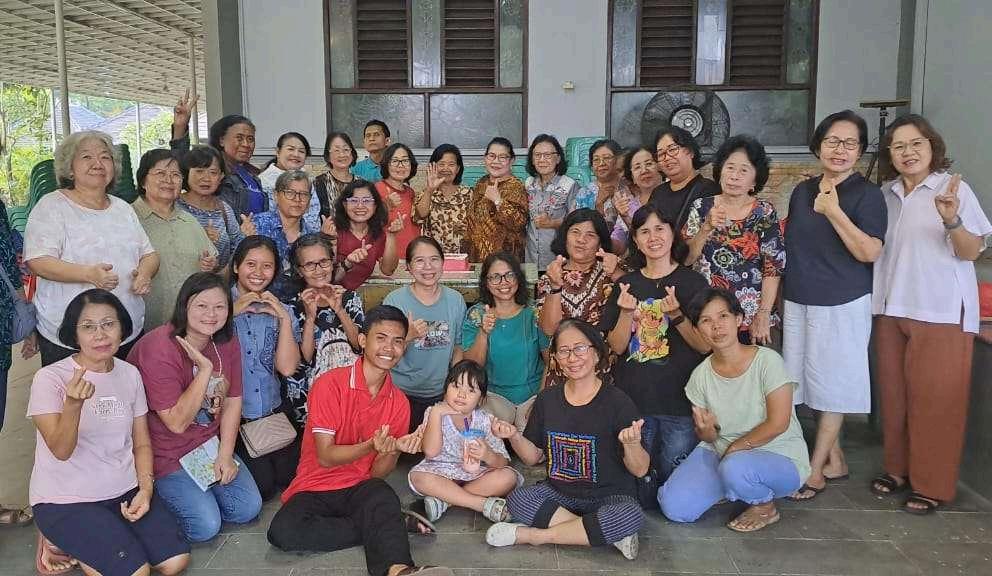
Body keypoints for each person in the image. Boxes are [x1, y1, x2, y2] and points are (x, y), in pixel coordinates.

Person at [267, 305, 454, 576]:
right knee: (282, 531)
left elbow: (377, 473)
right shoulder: (329, 384)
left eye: (398, 341)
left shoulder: (399, 403)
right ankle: (386, 524)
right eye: (381, 338)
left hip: (359, 487)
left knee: (382, 494)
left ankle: (400, 570)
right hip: (314, 485)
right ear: (363, 340)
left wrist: (394, 449)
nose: (389, 348)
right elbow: (325, 457)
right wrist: (370, 445)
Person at [870, 114, 992, 514]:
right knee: (894, 398)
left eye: (916, 143)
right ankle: (898, 469)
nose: (908, 152)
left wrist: (951, 218)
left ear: (931, 146)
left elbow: (971, 252)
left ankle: (932, 484)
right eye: (898, 146)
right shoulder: (886, 194)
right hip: (891, 308)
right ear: (889, 154)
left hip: (941, 310)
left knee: (937, 402)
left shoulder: (952, 188)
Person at [29, 289, 190, 575]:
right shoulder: (50, 378)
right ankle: (59, 537)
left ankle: (89, 542)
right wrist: (73, 404)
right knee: (136, 572)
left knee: (175, 561)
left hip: (123, 490)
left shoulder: (129, 374)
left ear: (122, 328)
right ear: (74, 334)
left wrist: (146, 489)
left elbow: (141, 444)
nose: (100, 335)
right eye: (88, 327)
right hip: (67, 500)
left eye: (108, 324)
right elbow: (61, 451)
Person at [782, 111, 887, 501]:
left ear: (860, 151)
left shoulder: (868, 195)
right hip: (799, 299)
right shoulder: (802, 191)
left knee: (835, 384)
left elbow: (870, 251)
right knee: (805, 382)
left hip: (842, 301)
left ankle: (814, 470)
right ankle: (836, 458)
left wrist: (834, 211)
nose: (840, 150)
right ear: (818, 146)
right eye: (832, 141)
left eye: (850, 143)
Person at [486, 319, 647, 561]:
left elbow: (640, 469)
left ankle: (533, 536)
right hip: (559, 493)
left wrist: (632, 444)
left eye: (580, 348)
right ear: (556, 360)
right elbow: (532, 458)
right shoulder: (547, 399)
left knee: (629, 515)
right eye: (564, 351)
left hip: (609, 497)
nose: (572, 358)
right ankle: (604, 534)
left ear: (596, 354)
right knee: (519, 499)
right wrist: (514, 436)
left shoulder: (618, 402)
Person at [659, 288, 811, 532]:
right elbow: (710, 436)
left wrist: (734, 450)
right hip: (723, 453)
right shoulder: (700, 377)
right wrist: (705, 431)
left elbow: (778, 423)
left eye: (723, 316)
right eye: (706, 321)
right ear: (697, 330)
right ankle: (734, 486)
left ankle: (764, 506)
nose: (716, 326)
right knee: (675, 507)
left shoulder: (767, 361)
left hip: (777, 453)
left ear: (738, 319)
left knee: (735, 467)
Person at [127, 272, 263, 542]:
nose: (211, 315)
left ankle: (195, 494)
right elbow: (177, 423)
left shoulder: (226, 339)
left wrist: (225, 455)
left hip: (205, 446)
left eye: (220, 306)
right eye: (201, 305)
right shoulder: (159, 349)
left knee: (247, 508)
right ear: (184, 306)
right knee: (205, 526)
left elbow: (233, 399)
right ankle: (149, 505)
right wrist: (205, 370)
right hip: (165, 452)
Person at [25, 130, 160, 366]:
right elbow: (38, 261)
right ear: (69, 168)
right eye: (86, 157)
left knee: (125, 388)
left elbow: (150, 254)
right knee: (75, 389)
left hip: (124, 330)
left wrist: (145, 274)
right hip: (71, 335)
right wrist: (88, 274)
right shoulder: (52, 206)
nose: (98, 163)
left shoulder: (122, 209)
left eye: (105, 157)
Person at [600, 204, 711, 483]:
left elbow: (704, 346)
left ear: (673, 234)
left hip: (680, 404)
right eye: (644, 231)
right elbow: (617, 346)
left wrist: (676, 316)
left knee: (674, 481)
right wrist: (626, 313)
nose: (653, 237)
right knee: (641, 481)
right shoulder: (626, 285)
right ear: (636, 241)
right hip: (634, 403)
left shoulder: (693, 283)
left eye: (660, 229)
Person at [682, 135, 785, 345]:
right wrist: (706, 228)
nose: (734, 176)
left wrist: (763, 313)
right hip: (708, 316)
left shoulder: (764, 212)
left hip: (751, 317)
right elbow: (686, 259)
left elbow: (772, 267)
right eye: (730, 168)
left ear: (754, 181)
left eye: (743, 170)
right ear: (720, 171)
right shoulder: (701, 207)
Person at [228, 236, 303, 501]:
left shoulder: (281, 309)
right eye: (251, 264)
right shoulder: (216, 305)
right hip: (232, 419)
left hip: (272, 413)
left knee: (291, 477)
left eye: (267, 266)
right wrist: (230, 312)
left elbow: (287, 368)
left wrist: (283, 319)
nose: (258, 273)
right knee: (264, 487)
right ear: (236, 266)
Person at [407, 360, 522, 524]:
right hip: (440, 472)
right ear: (445, 389)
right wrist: (436, 414)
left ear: (481, 399)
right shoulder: (434, 412)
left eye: (471, 390)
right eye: (456, 386)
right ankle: (480, 504)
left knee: (508, 477)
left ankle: (445, 501)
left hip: (474, 476)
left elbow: (502, 462)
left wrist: (487, 455)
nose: (461, 394)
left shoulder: (485, 421)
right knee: (419, 477)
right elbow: (431, 452)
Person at [383, 237, 466, 432]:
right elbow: (384, 354)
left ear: (443, 263)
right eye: (419, 260)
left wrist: (453, 388)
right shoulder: (395, 301)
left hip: (441, 394)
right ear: (409, 267)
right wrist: (408, 337)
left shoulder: (455, 300)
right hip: (400, 393)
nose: (428, 267)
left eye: (434, 259)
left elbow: (458, 347)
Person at [284, 233, 364, 429]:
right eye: (309, 265)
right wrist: (310, 317)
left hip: (347, 392)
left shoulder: (349, 298)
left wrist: (340, 310)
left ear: (332, 262)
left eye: (324, 262)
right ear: (299, 270)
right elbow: (307, 357)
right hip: (310, 396)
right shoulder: (292, 307)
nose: (318, 270)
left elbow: (358, 345)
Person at [133, 148, 218, 331]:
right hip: (141, 327)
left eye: (175, 175)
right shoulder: (128, 218)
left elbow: (211, 258)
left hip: (187, 326)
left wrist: (209, 263)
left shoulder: (189, 220)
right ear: (143, 180)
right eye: (160, 173)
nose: (169, 180)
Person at [463, 253, 549, 430]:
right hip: (493, 396)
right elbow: (472, 366)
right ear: (486, 282)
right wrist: (483, 333)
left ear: (518, 278)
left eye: (509, 275)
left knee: (532, 442)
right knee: (481, 432)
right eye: (495, 277)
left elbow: (550, 361)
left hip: (532, 395)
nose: (503, 282)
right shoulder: (477, 314)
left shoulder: (534, 312)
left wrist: (541, 401)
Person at [171, 92, 266, 219]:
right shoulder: (215, 170)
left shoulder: (252, 174)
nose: (246, 144)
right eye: (239, 138)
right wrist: (180, 127)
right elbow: (180, 169)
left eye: (250, 139)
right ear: (221, 140)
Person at [536, 209, 621, 337]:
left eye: (590, 235)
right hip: (564, 349)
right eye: (575, 232)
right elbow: (549, 331)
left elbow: (639, 301)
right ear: (565, 237)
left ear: (600, 243)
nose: (581, 239)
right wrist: (554, 287)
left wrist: (615, 272)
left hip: (603, 349)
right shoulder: (550, 276)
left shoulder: (613, 267)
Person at [251, 169, 332, 299]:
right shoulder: (256, 225)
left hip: (299, 304)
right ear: (276, 195)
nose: (297, 199)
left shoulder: (311, 236)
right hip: (258, 302)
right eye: (290, 193)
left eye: (303, 194)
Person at [178, 144, 250, 268]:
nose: (206, 178)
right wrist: (200, 239)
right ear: (186, 173)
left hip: (217, 278)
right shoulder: (175, 205)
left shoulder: (224, 209)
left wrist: (245, 236)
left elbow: (236, 253)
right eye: (199, 171)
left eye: (213, 172)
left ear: (221, 176)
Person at [464, 137, 528, 262]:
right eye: (491, 156)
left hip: (504, 261)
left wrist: (498, 201)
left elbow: (519, 223)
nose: (496, 161)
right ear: (485, 158)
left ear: (512, 161)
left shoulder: (516, 187)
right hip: (477, 258)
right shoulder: (482, 182)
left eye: (502, 157)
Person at [333, 179, 402, 290]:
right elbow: (327, 277)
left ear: (375, 206)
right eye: (354, 200)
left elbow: (388, 270)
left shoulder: (378, 234)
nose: (360, 206)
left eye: (366, 201)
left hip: (355, 295)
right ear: (345, 205)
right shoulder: (333, 230)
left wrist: (391, 236)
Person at [648, 127, 720, 231]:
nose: (667, 158)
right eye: (661, 154)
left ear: (690, 152)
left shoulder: (709, 190)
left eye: (672, 150)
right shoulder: (657, 193)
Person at [524, 134, 579, 270]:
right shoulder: (529, 184)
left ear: (558, 158)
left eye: (548, 155)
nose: (542, 159)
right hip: (530, 258)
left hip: (557, 259)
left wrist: (552, 223)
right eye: (537, 155)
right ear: (532, 159)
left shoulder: (569, 185)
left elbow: (577, 221)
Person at [415, 144, 472, 253]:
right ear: (433, 167)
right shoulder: (425, 193)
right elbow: (420, 215)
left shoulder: (469, 194)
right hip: (433, 255)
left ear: (458, 169)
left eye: (451, 164)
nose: (446, 168)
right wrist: (430, 190)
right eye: (441, 164)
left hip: (463, 256)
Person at [259, 132, 322, 230]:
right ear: (278, 152)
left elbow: (313, 216)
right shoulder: (263, 182)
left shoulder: (307, 179)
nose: (296, 154)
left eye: (301, 151)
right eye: (290, 149)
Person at [611, 147, 663, 254]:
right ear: (632, 178)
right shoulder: (628, 205)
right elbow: (620, 242)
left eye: (649, 164)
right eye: (637, 167)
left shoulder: (674, 196)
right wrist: (602, 240)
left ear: (660, 167)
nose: (644, 171)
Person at [375, 143, 422, 257]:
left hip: (412, 256)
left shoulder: (410, 192)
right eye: (395, 161)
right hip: (387, 258)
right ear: (386, 164)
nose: (400, 165)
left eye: (405, 161)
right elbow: (367, 225)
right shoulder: (376, 189)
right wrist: (386, 206)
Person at [570, 138, 629, 229]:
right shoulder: (584, 193)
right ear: (591, 167)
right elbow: (574, 225)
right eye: (596, 160)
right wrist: (598, 205)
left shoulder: (628, 188)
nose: (601, 163)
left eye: (607, 158)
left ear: (618, 161)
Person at [314, 131, 358, 218]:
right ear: (328, 155)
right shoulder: (319, 183)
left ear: (352, 153)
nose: (342, 154)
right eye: (336, 150)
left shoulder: (361, 183)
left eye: (346, 149)